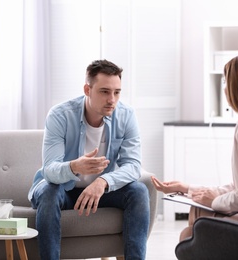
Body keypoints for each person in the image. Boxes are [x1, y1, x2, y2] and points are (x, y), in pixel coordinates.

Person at [152, 53, 238, 240]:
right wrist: (187, 189)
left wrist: (215, 201)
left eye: (226, 82)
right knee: (195, 219)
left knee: (190, 231)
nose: (225, 90)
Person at [28, 59, 150, 260]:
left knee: (138, 191)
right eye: (104, 91)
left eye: (117, 92)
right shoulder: (60, 115)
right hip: (63, 190)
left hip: (101, 192)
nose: (112, 99)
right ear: (87, 89)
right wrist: (75, 166)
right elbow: (49, 169)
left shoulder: (126, 115)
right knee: (49, 192)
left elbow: (134, 166)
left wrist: (103, 182)